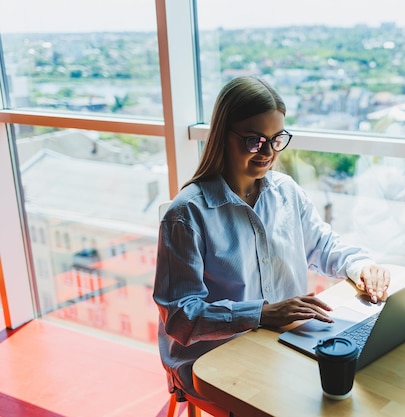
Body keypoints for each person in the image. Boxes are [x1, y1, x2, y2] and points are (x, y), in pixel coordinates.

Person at [153, 76, 390, 404]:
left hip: (284, 338)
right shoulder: (186, 215)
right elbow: (180, 317)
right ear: (223, 136)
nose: (267, 152)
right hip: (212, 358)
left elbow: (322, 245)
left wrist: (361, 265)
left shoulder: (286, 192)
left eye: (276, 139)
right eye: (254, 140)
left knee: (360, 382)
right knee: (319, 399)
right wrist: (261, 313)